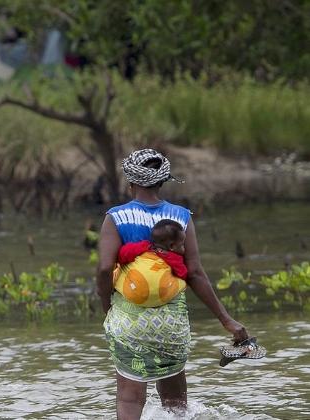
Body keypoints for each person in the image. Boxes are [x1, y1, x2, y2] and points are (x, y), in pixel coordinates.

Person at [96, 149, 249, 419]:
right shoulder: (181, 216)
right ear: (162, 180)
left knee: (130, 399)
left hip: (131, 321)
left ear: (130, 181)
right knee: (175, 403)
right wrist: (227, 320)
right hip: (171, 324)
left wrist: (106, 305)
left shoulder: (115, 217)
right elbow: (195, 273)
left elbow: (105, 268)